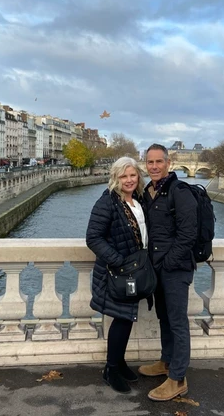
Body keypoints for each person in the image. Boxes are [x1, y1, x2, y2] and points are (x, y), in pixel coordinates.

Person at [138, 143, 197, 401]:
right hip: (157, 269)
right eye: (149, 162)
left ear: (168, 163)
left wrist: (168, 263)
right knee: (164, 318)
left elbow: (188, 235)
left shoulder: (179, 192)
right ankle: (166, 362)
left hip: (175, 269)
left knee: (177, 322)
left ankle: (178, 378)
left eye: (158, 162)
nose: (154, 167)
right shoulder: (148, 192)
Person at [86, 156, 148, 394]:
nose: (129, 180)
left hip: (133, 272)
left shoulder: (139, 199)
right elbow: (93, 238)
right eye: (124, 176)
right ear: (115, 178)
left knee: (126, 317)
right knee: (122, 319)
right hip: (116, 272)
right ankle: (111, 369)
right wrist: (119, 260)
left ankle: (118, 362)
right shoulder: (107, 203)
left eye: (132, 175)